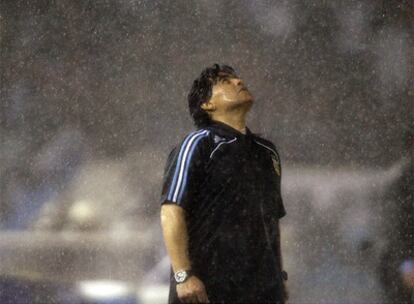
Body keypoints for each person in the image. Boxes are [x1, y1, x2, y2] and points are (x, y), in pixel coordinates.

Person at [159, 64, 288, 303]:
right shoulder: (198, 144)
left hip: (260, 291)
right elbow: (171, 210)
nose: (238, 82)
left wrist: (278, 276)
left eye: (237, 78)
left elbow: (270, 220)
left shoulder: (267, 152)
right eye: (225, 81)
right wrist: (183, 275)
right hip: (208, 289)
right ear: (207, 104)